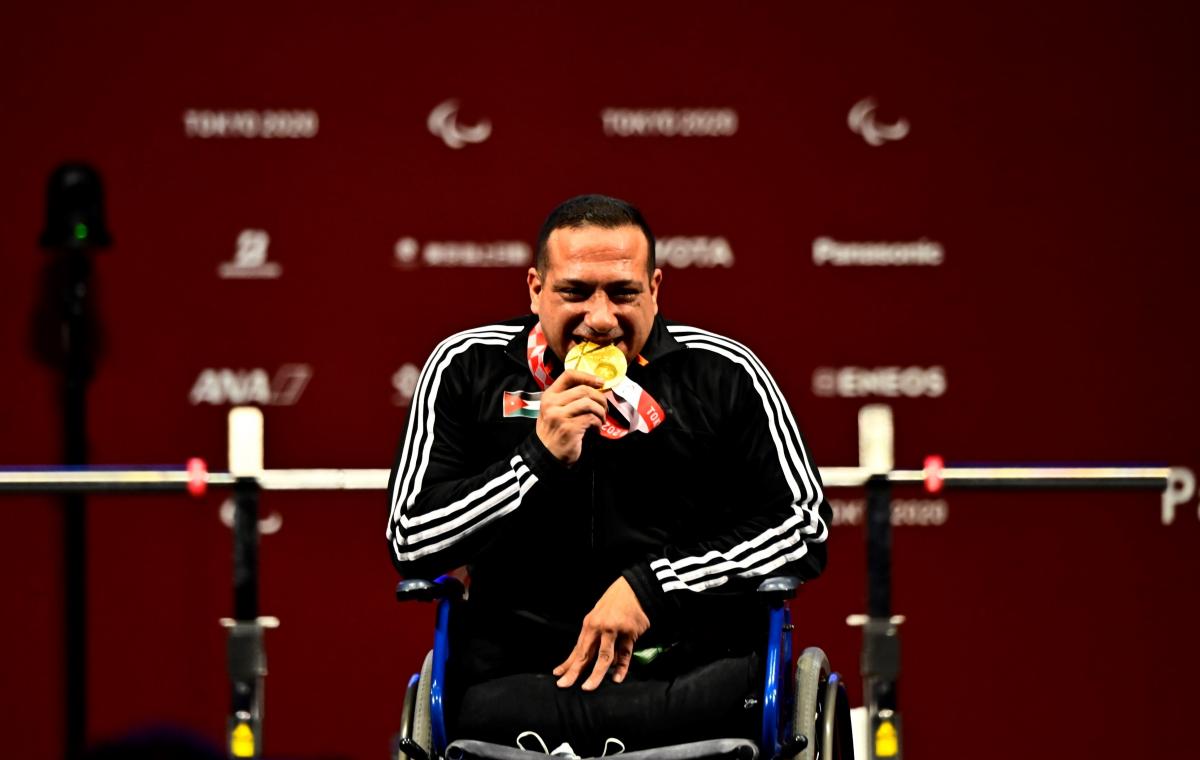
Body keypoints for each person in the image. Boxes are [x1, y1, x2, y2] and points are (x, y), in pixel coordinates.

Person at [386, 194, 831, 755]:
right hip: (516, 676)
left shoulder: (726, 374)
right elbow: (411, 537)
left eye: (623, 292)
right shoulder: (466, 367)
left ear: (655, 289)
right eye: (574, 291)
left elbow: (803, 525)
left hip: (687, 676)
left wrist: (652, 587)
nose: (600, 320)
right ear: (535, 288)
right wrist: (536, 458)